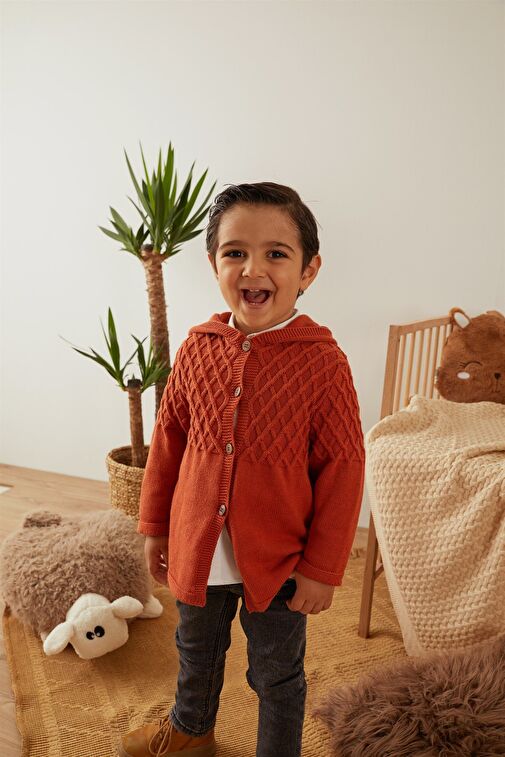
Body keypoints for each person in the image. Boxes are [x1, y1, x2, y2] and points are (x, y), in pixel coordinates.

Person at [118, 182, 366, 757]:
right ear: (214, 265)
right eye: (236, 252)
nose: (254, 269)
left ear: (308, 271)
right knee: (195, 651)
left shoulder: (323, 363)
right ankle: (190, 732)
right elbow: (168, 443)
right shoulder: (197, 348)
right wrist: (155, 527)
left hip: (280, 563)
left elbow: (343, 468)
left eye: (276, 253)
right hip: (198, 549)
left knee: (277, 674)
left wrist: (322, 568)